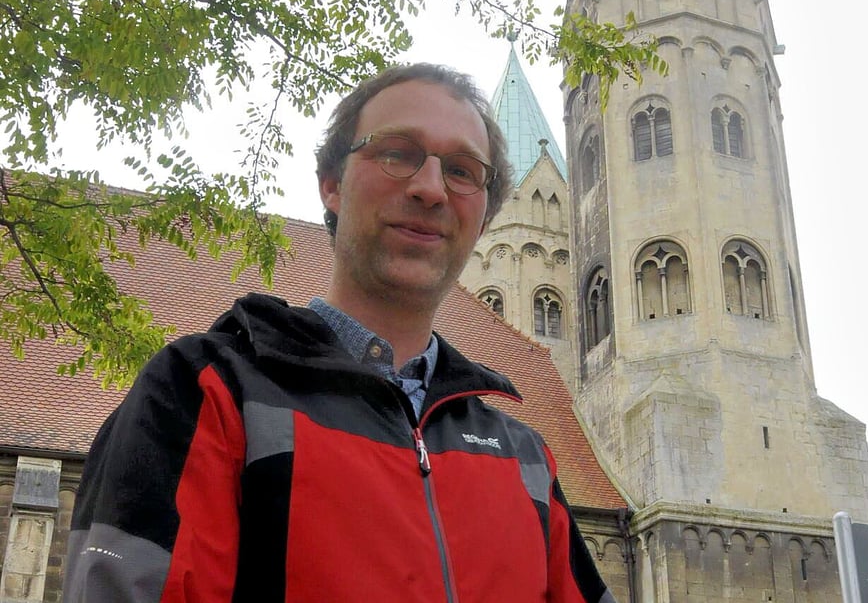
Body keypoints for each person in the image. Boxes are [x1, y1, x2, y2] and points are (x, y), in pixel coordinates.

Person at [63, 63, 617, 603]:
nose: (431, 188)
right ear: (332, 185)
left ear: (484, 221)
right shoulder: (206, 392)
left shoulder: (524, 460)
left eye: (462, 171)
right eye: (398, 152)